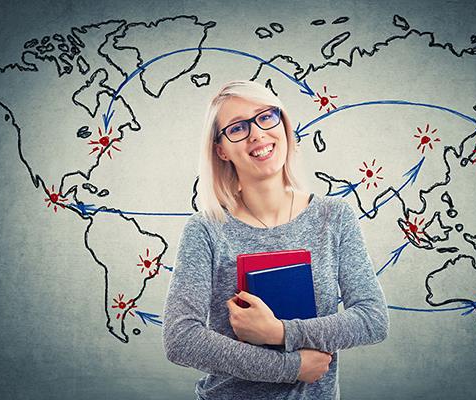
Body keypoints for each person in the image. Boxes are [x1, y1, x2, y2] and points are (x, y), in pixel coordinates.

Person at [162, 80, 389, 399]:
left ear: (283, 124)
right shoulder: (206, 229)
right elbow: (181, 338)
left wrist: (280, 332)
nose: (257, 134)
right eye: (238, 128)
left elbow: (372, 318)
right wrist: (291, 367)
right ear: (221, 149)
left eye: (266, 117)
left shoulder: (333, 216)